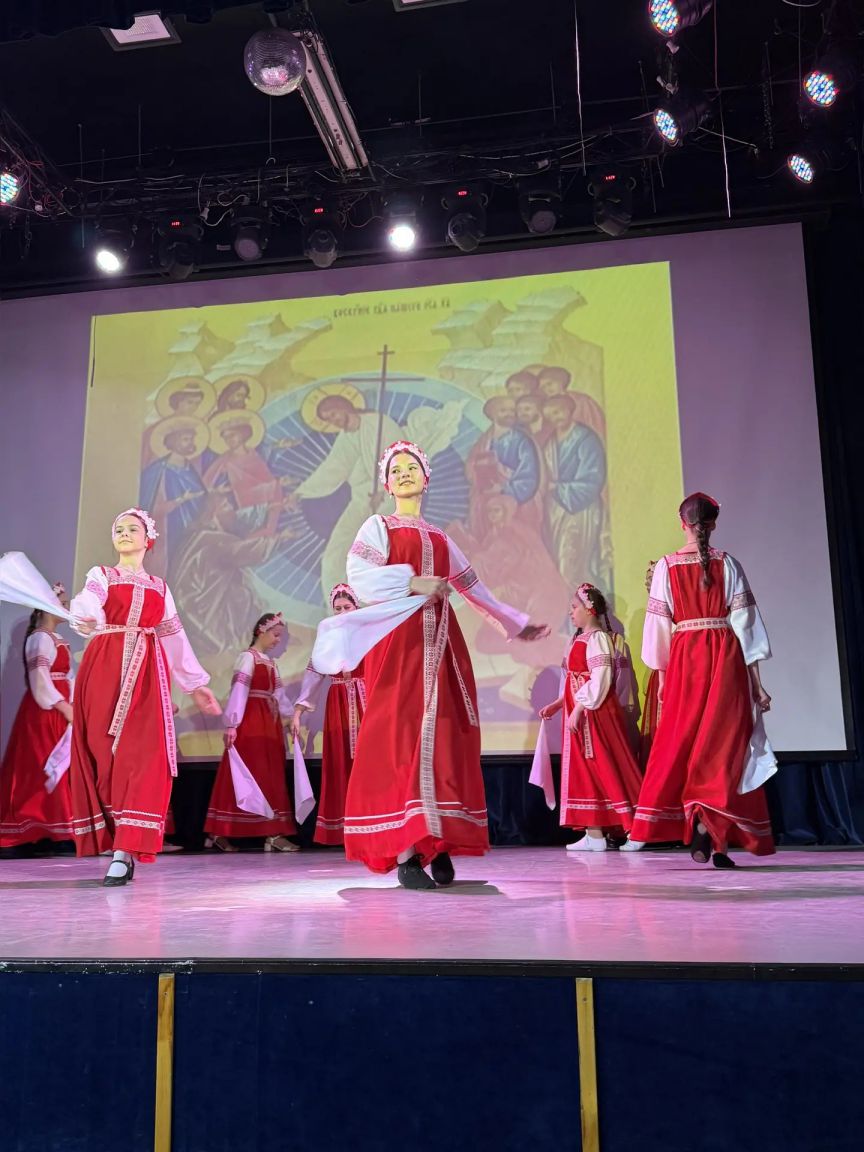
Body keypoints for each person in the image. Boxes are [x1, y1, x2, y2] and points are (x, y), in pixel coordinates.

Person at [314, 440, 549, 889]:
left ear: (426, 478)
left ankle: (436, 842)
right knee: (399, 737)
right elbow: (360, 577)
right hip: (398, 644)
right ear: (386, 484)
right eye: (395, 470)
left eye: (411, 467)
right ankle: (406, 853)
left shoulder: (441, 537)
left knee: (443, 738)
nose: (403, 473)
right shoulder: (377, 526)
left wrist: (514, 624)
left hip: (440, 648)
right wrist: (413, 581)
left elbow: (474, 588)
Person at [69, 508, 221, 886]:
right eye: (118, 529)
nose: (124, 533)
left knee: (141, 757)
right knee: (103, 756)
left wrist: (195, 684)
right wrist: (85, 615)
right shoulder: (102, 575)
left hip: (147, 675)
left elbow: (173, 637)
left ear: (147, 539)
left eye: (132, 529)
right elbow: (88, 600)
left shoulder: (160, 587)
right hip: (103, 669)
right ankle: (116, 838)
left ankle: (124, 850)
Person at [628, 493, 775, 867]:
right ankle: (716, 835)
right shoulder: (729, 564)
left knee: (687, 742)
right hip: (725, 657)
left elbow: (658, 628)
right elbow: (747, 627)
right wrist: (757, 684)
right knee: (723, 746)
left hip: (685, 659)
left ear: (682, 523)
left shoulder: (666, 567)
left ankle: (702, 822)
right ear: (714, 524)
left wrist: (663, 678)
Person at [539, 585, 643, 851]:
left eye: (575, 608)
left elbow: (600, 680)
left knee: (608, 767)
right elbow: (574, 680)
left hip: (596, 714)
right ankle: (594, 833)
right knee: (586, 771)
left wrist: (578, 709)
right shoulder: (580, 639)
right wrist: (559, 704)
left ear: (589, 610)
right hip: (583, 710)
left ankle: (636, 829)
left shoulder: (598, 639)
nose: (571, 613)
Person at [204, 612, 298, 852]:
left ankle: (272, 833)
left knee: (271, 774)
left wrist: (290, 719)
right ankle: (221, 831)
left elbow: (279, 694)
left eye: (280, 636)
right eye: (275, 635)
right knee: (247, 773)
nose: (278, 640)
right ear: (261, 632)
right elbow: (239, 691)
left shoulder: (271, 663)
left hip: (269, 723)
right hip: (251, 722)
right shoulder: (248, 658)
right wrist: (232, 724)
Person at [291, 395, 402, 597]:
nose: (333, 421)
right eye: (328, 419)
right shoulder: (347, 436)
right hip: (363, 499)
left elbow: (400, 458)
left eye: (333, 414)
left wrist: (383, 489)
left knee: (377, 552)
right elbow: (334, 468)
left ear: (344, 406)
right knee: (335, 553)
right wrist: (301, 492)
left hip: (392, 496)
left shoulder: (379, 423)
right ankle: (337, 606)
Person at [0, 585, 75, 850]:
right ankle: (38, 827)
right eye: (62, 602)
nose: (67, 607)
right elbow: (39, 678)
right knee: (42, 765)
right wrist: (62, 706)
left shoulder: (56, 638)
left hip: (59, 709)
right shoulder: (40, 638)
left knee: (61, 766)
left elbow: (66, 677)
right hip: (45, 712)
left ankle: (58, 831)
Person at [292, 585, 365, 846]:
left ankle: (370, 824)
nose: (342, 612)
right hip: (339, 703)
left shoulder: (368, 632)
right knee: (340, 761)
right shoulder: (327, 637)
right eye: (337, 609)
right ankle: (345, 827)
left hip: (365, 700)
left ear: (356, 607)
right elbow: (314, 673)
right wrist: (299, 710)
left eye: (347, 607)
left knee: (368, 761)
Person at [542, 393, 607, 586]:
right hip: (556, 509)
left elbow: (592, 477)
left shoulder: (586, 439)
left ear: (569, 410)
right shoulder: (550, 442)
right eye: (551, 415)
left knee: (572, 563)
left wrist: (558, 487)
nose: (556, 418)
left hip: (580, 508)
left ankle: (585, 602)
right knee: (559, 562)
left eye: (559, 412)